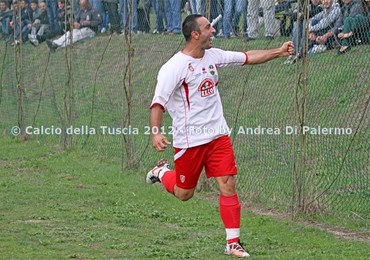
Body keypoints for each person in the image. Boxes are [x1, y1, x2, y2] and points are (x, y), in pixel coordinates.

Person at [146, 14, 293, 258]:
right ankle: (161, 172)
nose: (213, 30)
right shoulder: (174, 67)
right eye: (208, 27)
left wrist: (278, 51)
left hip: (217, 136)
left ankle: (233, 242)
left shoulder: (213, 56)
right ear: (195, 34)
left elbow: (247, 57)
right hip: (190, 141)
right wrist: (156, 133)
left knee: (228, 183)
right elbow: (157, 104)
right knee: (184, 194)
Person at [284, 0, 323, 64]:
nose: (315, 0)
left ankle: (300, 52)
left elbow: (315, 12)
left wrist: (302, 14)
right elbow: (293, 16)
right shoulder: (305, 4)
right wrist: (299, 14)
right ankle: (294, 52)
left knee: (305, 23)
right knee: (297, 23)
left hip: (315, 28)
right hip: (305, 25)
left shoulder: (322, 5)